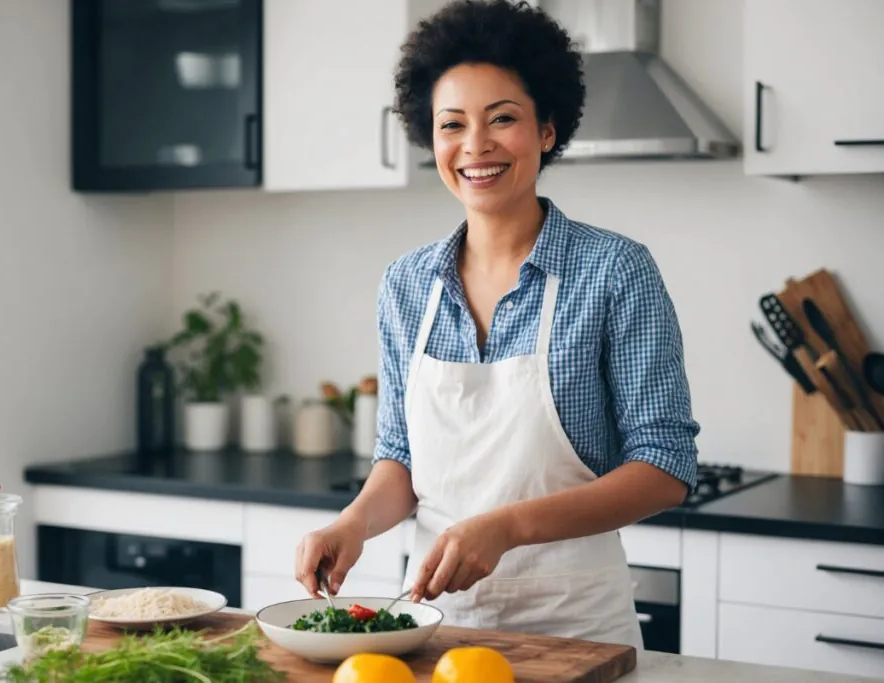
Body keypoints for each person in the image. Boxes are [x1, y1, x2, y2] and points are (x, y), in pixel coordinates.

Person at [294, 0, 699, 649]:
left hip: (577, 635)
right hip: (433, 633)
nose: (475, 146)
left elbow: (665, 466)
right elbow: (398, 461)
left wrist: (506, 526)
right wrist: (351, 524)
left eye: (502, 118)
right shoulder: (407, 285)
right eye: (451, 124)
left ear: (547, 129)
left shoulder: (615, 272)